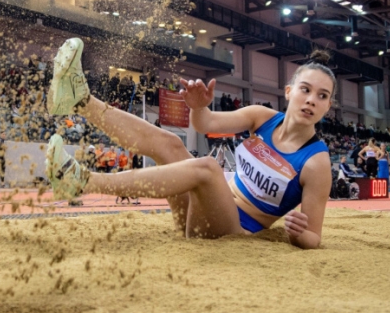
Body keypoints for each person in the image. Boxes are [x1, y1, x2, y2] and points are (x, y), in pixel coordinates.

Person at [44, 38, 335, 249]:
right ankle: (80, 101)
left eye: (322, 96)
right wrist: (198, 107)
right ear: (288, 91)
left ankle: (82, 182)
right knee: (170, 143)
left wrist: (299, 235)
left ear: (328, 106)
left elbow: (314, 236)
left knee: (209, 168)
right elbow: (206, 125)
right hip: (198, 213)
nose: (311, 100)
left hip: (232, 233)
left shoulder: (316, 163)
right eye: (305, 90)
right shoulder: (263, 117)